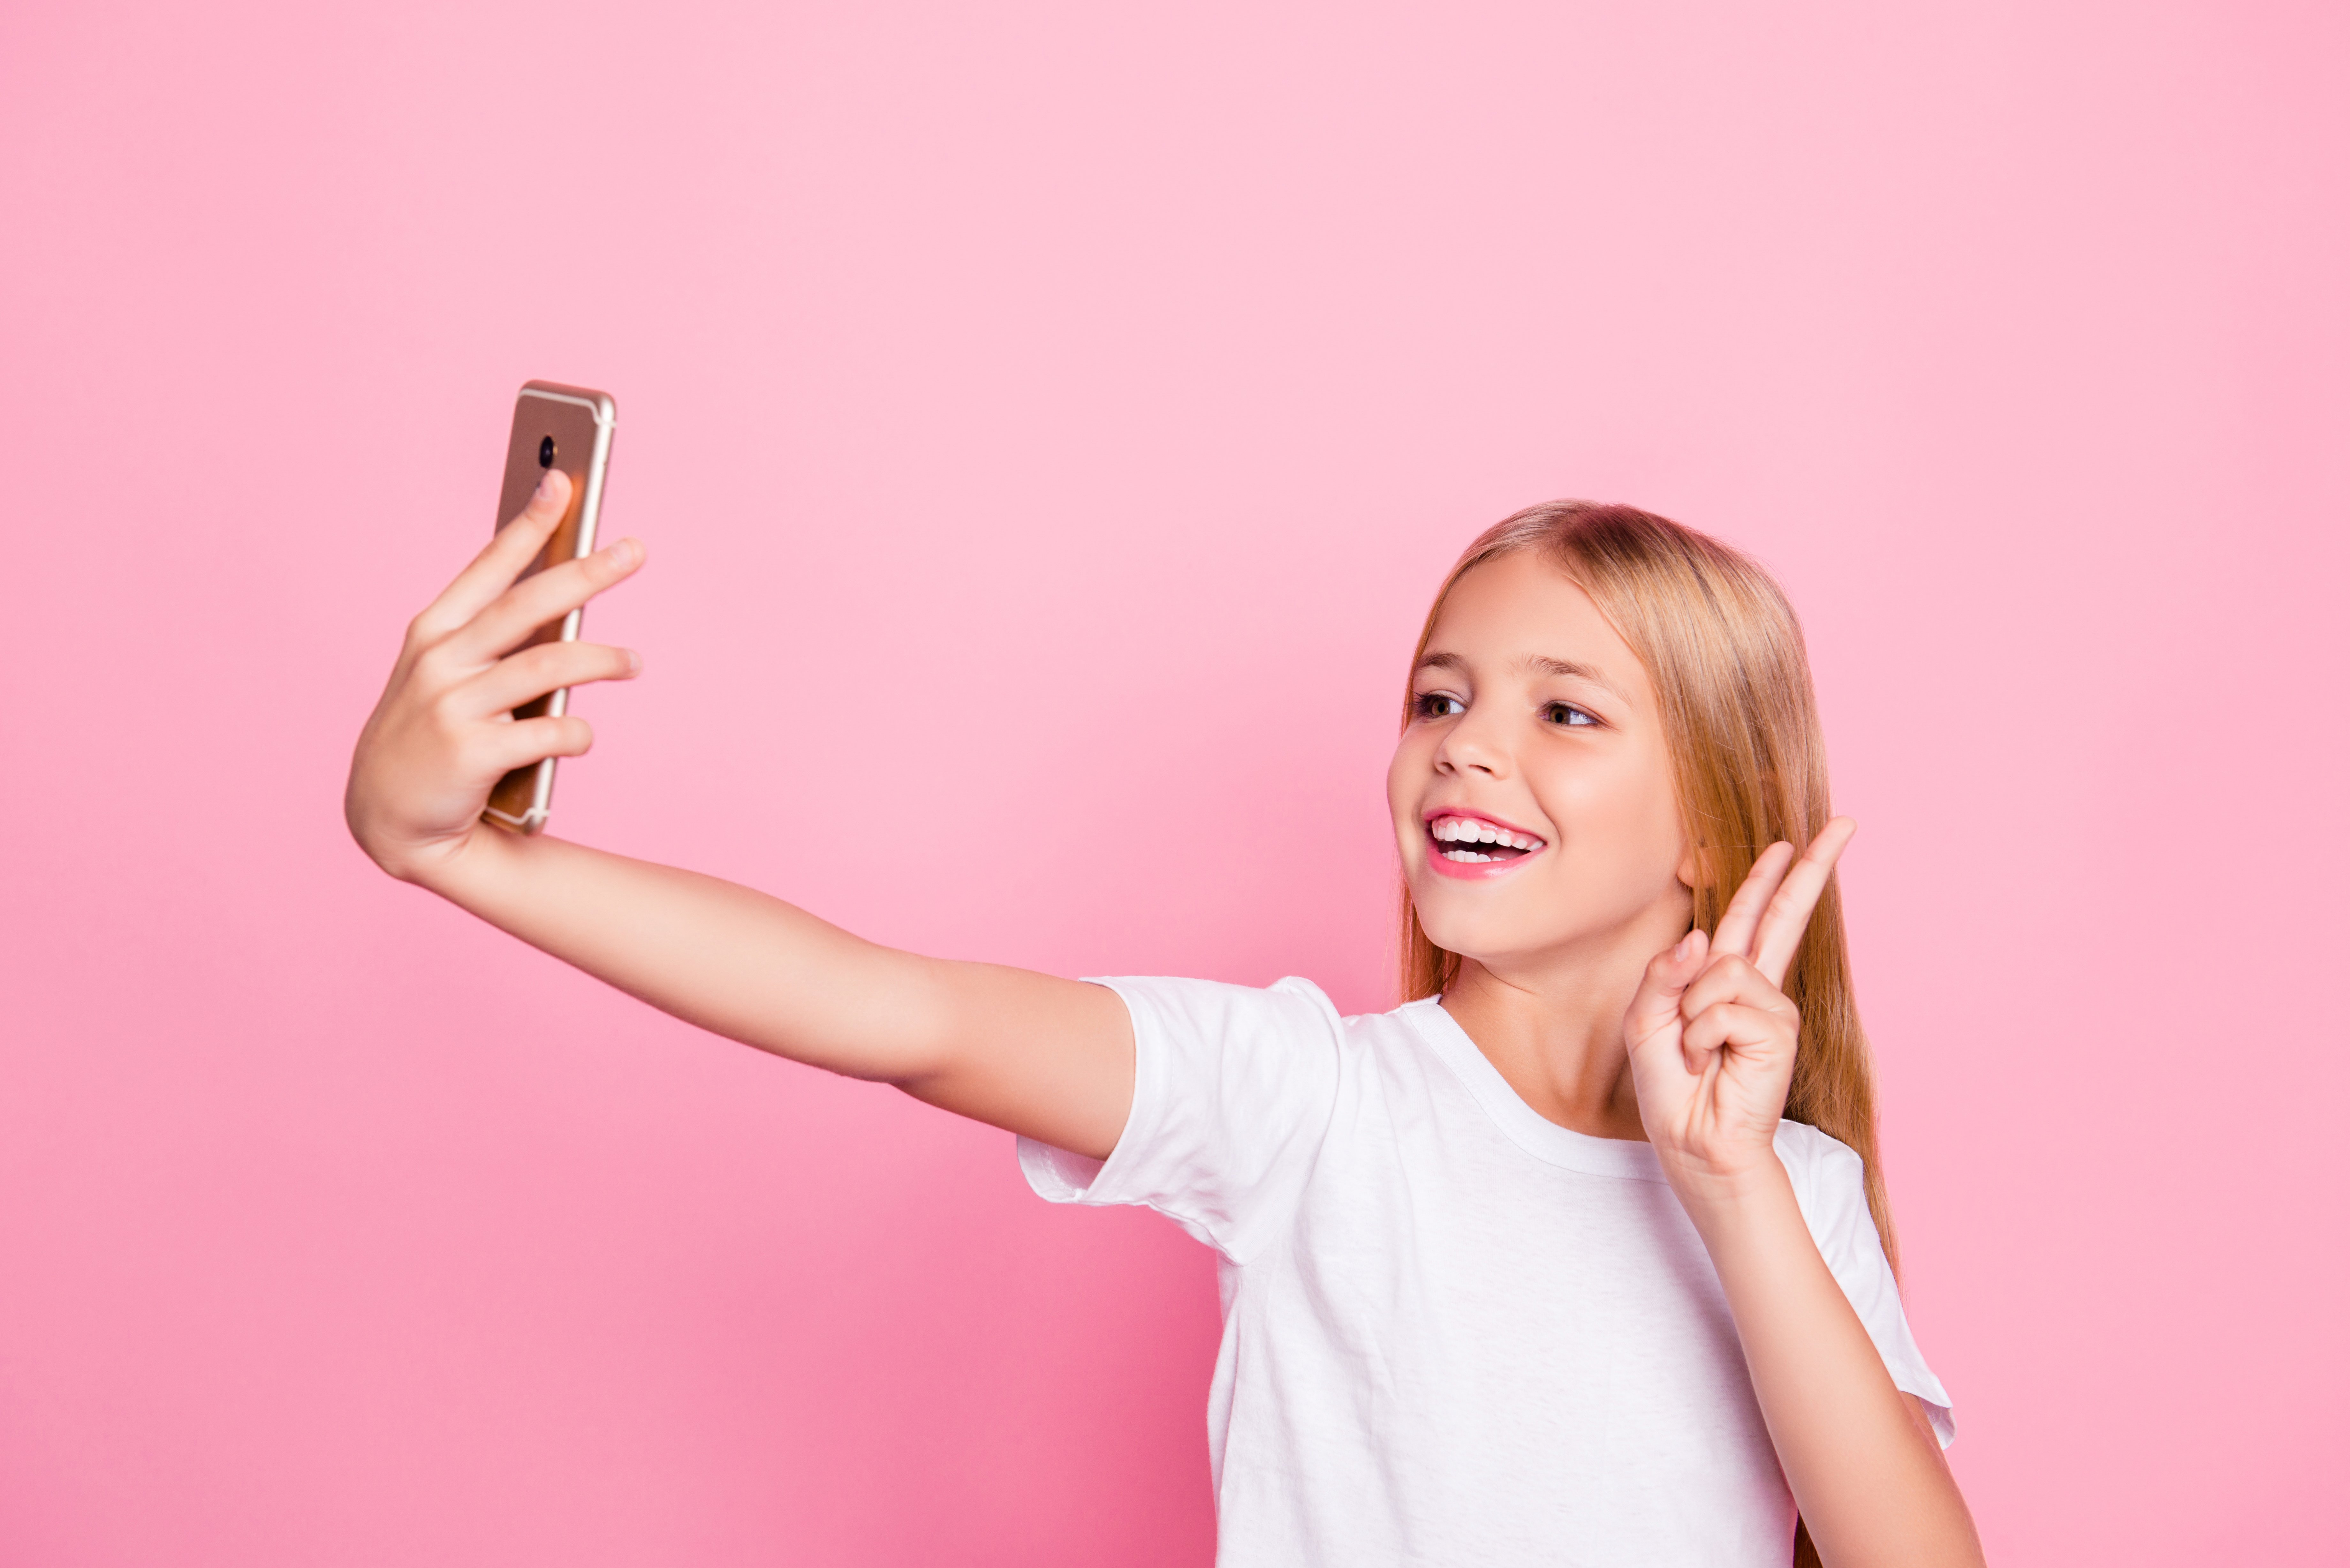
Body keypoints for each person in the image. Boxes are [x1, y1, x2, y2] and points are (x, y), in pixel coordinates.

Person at [346, 473, 1984, 1568]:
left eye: (1564, 711)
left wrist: (1734, 1189)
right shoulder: (1303, 1102)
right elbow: (894, 1009)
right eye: (1439, 695)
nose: (1469, 747)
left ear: (1709, 821)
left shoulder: (1785, 1190)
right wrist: (458, 853)